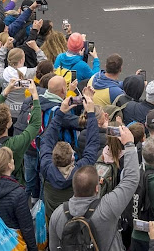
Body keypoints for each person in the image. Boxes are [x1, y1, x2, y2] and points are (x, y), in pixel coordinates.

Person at [49, 124, 138, 251]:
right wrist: (129, 144)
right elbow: (131, 179)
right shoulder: (108, 208)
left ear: (74, 187)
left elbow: (53, 247)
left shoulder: (57, 215)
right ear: (97, 188)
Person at [40, 87, 101, 218]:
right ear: (73, 158)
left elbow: (46, 139)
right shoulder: (79, 173)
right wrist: (90, 113)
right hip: (74, 218)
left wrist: (61, 112)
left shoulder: (46, 166)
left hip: (53, 218)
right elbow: (92, 145)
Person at [0, 79, 42, 184]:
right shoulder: (14, 144)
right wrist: (35, 95)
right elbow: (35, 124)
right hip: (13, 185)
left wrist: (6, 91)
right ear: (7, 124)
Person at [0, 147, 37, 251]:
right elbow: (26, 227)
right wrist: (33, 248)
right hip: (13, 244)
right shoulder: (18, 194)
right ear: (9, 165)